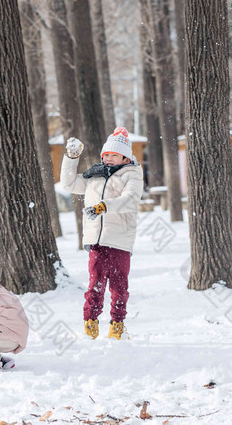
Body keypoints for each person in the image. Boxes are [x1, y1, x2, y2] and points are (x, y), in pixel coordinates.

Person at [60, 127, 143, 340]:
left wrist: (103, 207)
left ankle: (117, 325)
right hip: (96, 240)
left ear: (125, 157)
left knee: (118, 286)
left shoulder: (132, 174)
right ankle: (90, 323)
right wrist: (71, 158)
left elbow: (131, 199)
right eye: (105, 155)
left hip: (119, 240)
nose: (108, 158)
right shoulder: (94, 176)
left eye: (114, 155)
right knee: (95, 283)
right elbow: (68, 184)